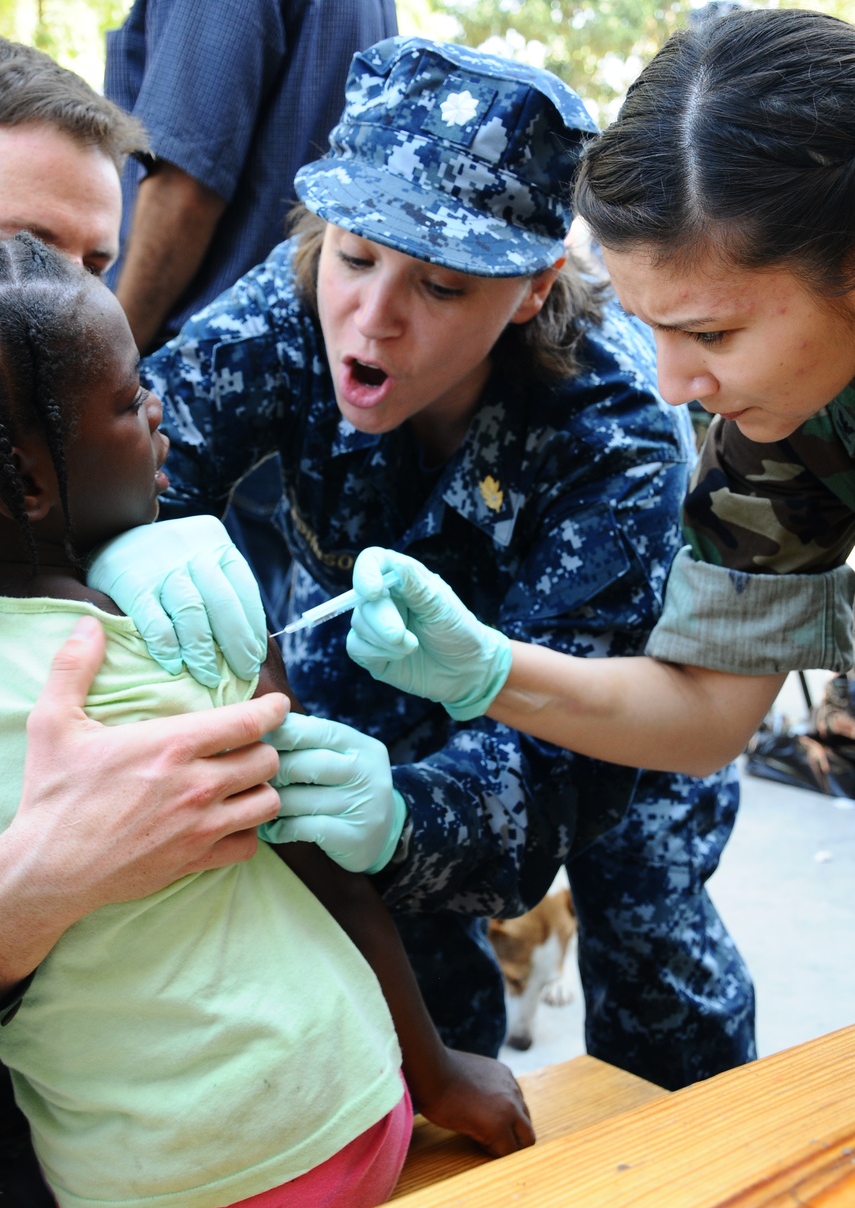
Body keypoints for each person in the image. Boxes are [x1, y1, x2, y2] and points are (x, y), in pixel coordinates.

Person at [0, 230, 529, 1208]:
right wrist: (438, 1071)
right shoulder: (169, 650)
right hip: (323, 1141)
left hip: (121, 1207)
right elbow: (323, 858)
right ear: (26, 483)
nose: (160, 403)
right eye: (130, 399)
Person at [92, 37, 754, 1092]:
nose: (374, 314)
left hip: (608, 701)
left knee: (653, 949)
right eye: (356, 256)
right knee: (388, 953)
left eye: (442, 286)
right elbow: (140, 448)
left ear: (532, 291)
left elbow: (559, 770)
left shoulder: (619, 427)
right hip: (367, 655)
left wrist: (413, 814)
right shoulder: (295, 296)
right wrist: (138, 521)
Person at [0, 31, 370, 1208]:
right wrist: (2, 904)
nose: (62, 293)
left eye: (94, 261)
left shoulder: (44, 414)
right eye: (23, 245)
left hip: (191, 1166)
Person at [342, 8, 855, 781]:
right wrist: (488, 670)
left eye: (711, 334)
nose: (674, 386)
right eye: (655, 330)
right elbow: (709, 714)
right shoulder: (784, 420)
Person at [103, 0, 398, 628]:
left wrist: (109, 363)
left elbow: (186, 185)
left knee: (189, 632)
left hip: (212, 364)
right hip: (312, 366)